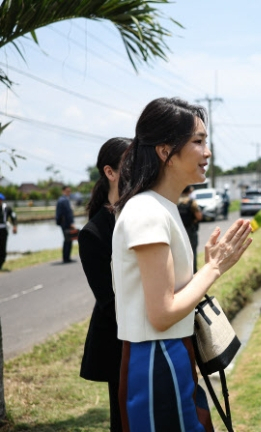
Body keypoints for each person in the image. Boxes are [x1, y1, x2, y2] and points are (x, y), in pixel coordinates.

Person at [112, 97, 253, 432]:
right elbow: (162, 314)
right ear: (165, 151)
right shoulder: (147, 212)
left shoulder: (162, 207)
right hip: (156, 357)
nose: (207, 152)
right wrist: (214, 268)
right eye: (198, 141)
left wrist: (209, 267)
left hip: (172, 351)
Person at [78, 137, 131, 432]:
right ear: (110, 172)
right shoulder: (94, 233)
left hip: (154, 331)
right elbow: (108, 300)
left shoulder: (144, 211)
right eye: (130, 163)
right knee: (124, 420)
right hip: (120, 341)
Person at [178, 185, 203, 273]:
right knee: (193, 253)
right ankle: (193, 273)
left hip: (178, 231)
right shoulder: (191, 202)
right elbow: (199, 216)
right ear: (189, 191)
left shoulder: (175, 201)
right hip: (190, 230)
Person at [55, 185, 76, 263]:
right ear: (63, 191)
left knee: (67, 240)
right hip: (66, 223)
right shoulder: (64, 200)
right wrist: (71, 223)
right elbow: (68, 213)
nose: (69, 193)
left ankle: (66, 257)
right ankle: (66, 258)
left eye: (69, 191)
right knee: (68, 240)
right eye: (67, 191)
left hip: (63, 223)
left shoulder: (61, 200)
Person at [0, 193, 18, 271]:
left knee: (2, 249)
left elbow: (13, 217)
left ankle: (1, 264)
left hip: (3, 230)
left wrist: (14, 226)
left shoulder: (7, 208)